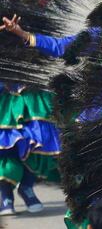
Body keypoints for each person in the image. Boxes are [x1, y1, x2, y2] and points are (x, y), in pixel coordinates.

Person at [0, 15, 63, 216]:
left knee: (37, 142)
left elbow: (54, 48)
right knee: (6, 144)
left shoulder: (33, 15)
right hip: (4, 96)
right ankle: (5, 193)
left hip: (33, 95)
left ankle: (27, 187)